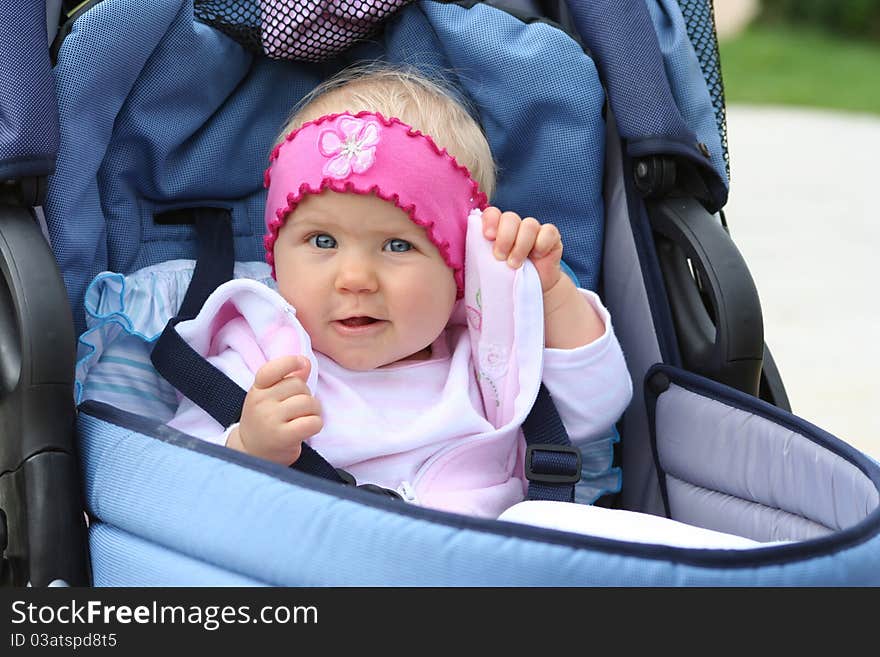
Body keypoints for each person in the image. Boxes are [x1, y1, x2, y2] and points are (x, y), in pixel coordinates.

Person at [167, 64, 633, 519]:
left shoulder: (487, 357)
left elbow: (597, 408)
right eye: (322, 241)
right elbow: (172, 484)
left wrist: (548, 291)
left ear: (459, 267)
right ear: (276, 257)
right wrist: (248, 446)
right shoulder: (259, 357)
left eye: (397, 245)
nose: (355, 278)